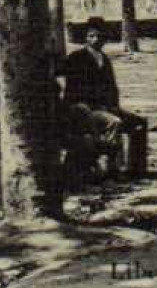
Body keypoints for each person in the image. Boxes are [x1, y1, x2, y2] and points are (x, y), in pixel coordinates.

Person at [59, 19, 148, 179]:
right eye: (91, 36)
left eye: (100, 36)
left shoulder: (104, 59)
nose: (96, 40)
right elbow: (73, 88)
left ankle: (136, 169)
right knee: (114, 123)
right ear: (86, 38)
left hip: (106, 107)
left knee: (139, 124)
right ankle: (111, 166)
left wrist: (114, 105)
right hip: (84, 108)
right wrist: (85, 105)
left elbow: (112, 88)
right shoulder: (77, 57)